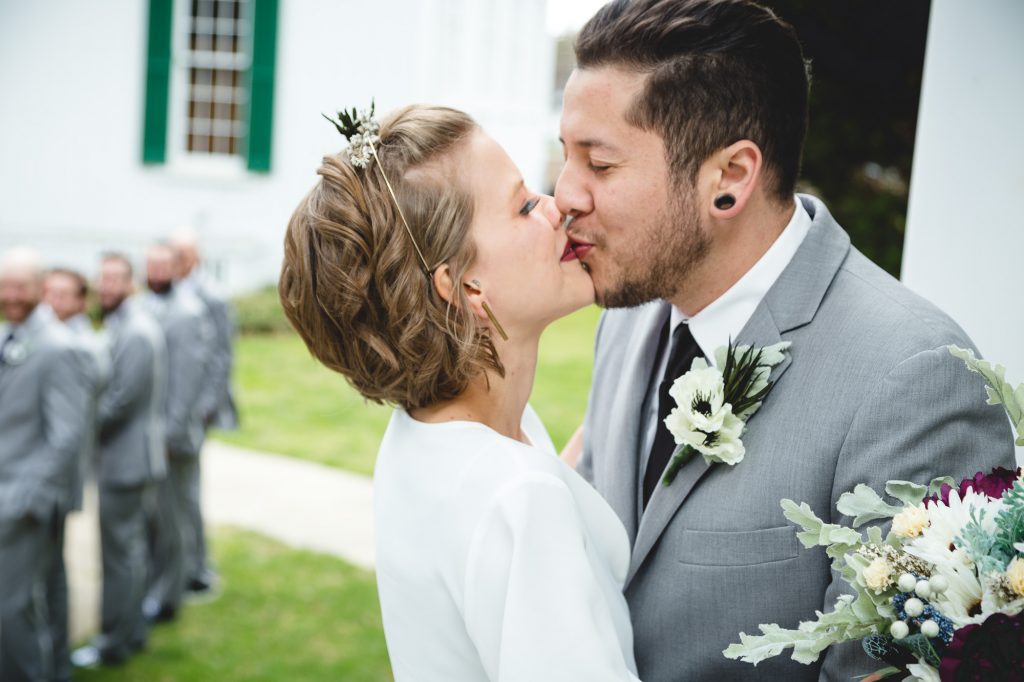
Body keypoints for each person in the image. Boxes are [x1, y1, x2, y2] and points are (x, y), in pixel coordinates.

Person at [554, 1, 1016, 680]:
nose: (565, 193)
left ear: (730, 179)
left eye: (600, 164)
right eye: (567, 155)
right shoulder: (629, 315)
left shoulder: (918, 379)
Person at [279, 104, 640, 681]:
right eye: (524, 205)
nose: (556, 208)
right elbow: (518, 505)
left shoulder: (424, 440)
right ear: (464, 285)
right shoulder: (518, 501)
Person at [70, 253, 168, 668]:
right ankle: (132, 632)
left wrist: (75, 424)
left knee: (118, 556)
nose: (106, 287)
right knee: (128, 553)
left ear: (130, 284)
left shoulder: (137, 332)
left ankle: (113, 642)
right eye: (102, 279)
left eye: (115, 280)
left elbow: (118, 402)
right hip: (127, 460)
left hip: (126, 462)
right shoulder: (120, 324)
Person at [0, 248, 90, 682]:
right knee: (34, 599)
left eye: (19, 286)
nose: (10, 295)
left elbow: (67, 435)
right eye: (5, 285)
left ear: (39, 288)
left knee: (11, 608)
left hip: (22, 502)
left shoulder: (58, 346)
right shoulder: (9, 335)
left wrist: (23, 497)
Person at [41, 267, 111, 681]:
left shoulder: (80, 346)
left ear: (80, 301)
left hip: (57, 477)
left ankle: (53, 660)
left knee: (50, 571)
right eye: (47, 292)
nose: (52, 301)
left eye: (62, 294)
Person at [140, 243, 212, 623]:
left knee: (174, 517)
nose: (155, 274)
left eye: (162, 267)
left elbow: (186, 383)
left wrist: (168, 437)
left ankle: (170, 597)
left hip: (174, 438)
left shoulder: (187, 313)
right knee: (158, 518)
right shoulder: (147, 306)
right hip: (151, 435)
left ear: (175, 270)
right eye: (150, 267)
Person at [169, 231, 237, 593]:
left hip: (196, 408)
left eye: (182, 254)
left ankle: (197, 569)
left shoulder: (211, 296)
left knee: (188, 491)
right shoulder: (168, 292)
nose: (176, 260)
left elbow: (221, 355)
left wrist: (206, 406)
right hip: (176, 404)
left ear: (195, 257)